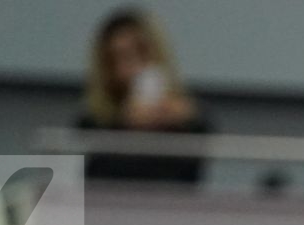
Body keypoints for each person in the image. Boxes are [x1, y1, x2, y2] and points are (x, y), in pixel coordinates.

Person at [78, 9, 209, 184]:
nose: (134, 66)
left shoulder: (186, 119)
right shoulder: (92, 124)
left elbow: (190, 176)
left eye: (141, 52)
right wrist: (126, 126)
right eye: (122, 57)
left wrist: (186, 120)